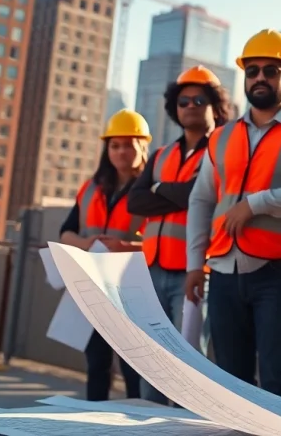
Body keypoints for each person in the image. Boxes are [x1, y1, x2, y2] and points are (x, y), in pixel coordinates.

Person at [186, 29, 281, 400]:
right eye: (252, 71)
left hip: (277, 273)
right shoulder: (221, 137)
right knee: (228, 381)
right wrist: (193, 264)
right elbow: (201, 200)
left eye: (271, 70)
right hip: (222, 272)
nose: (260, 78)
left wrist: (255, 204)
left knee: (276, 378)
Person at [127, 65, 232, 405]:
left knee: (188, 360)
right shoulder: (161, 154)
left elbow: (199, 196)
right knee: (153, 358)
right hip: (152, 270)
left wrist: (159, 188)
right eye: (183, 101)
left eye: (199, 100)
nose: (190, 106)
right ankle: (152, 421)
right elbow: (135, 201)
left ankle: (186, 421)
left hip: (194, 272)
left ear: (215, 106)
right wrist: (176, 192)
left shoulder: (221, 151)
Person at [58, 108, 151, 402]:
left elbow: (161, 242)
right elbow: (65, 232)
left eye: (129, 144)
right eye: (115, 145)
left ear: (143, 146)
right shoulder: (90, 188)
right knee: (97, 363)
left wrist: (126, 247)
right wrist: (86, 242)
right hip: (95, 287)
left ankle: (138, 419)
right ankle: (95, 417)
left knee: (135, 368)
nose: (121, 151)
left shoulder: (151, 190)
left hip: (133, 290)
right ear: (106, 149)